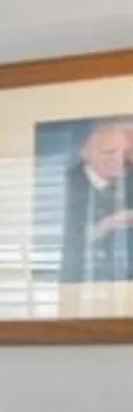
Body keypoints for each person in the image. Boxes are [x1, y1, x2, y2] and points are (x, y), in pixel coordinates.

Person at [63, 116, 133, 285]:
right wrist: (106, 225)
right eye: (109, 152)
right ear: (85, 152)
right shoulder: (64, 185)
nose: (121, 160)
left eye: (127, 153)